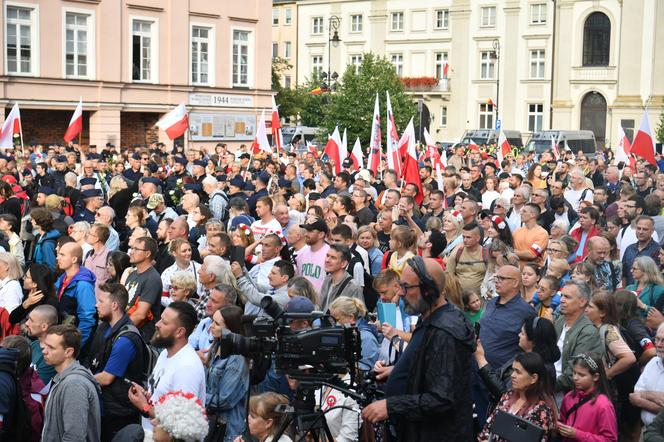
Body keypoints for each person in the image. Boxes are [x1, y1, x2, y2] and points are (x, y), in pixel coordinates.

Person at [362, 257, 476, 441]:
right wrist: (400, 370)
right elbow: (430, 366)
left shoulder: (446, 333)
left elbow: (442, 399)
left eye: (406, 287)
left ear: (429, 291)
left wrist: (391, 406)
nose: (399, 292)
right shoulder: (428, 318)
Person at [127, 301, 206, 430]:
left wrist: (145, 407)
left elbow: (182, 422)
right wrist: (147, 396)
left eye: (164, 322)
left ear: (180, 332)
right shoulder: (165, 353)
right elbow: (163, 396)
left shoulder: (187, 368)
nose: (157, 324)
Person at [86, 282, 146, 441]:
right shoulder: (103, 327)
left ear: (114, 305)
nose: (96, 304)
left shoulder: (126, 339)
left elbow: (106, 378)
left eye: (100, 301)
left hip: (119, 413)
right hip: (103, 406)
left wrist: (79, 378)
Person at [477, 316, 561, 406]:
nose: (519, 335)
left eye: (523, 333)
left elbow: (507, 396)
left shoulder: (543, 369)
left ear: (533, 340)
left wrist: (481, 359)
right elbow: (499, 374)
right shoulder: (522, 356)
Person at [41, 324, 101, 442]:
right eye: (45, 346)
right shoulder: (63, 378)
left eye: (51, 348)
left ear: (68, 352)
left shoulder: (74, 385)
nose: (44, 351)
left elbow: (74, 437)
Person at [478, 352, 556, 442]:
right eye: (513, 370)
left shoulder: (541, 411)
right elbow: (488, 428)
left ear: (533, 378)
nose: (512, 375)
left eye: (518, 372)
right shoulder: (508, 395)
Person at [205, 305, 249, 441]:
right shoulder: (216, 347)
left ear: (230, 330)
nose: (211, 326)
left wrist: (198, 396)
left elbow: (225, 400)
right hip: (212, 422)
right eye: (212, 321)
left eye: (217, 324)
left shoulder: (236, 359)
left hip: (228, 430)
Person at [480, 265, 536, 370]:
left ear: (515, 283)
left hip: (503, 375)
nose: (497, 281)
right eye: (496, 278)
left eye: (501, 278)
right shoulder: (491, 303)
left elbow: (531, 347)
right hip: (479, 368)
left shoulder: (526, 311)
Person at [554, 280, 603, 395]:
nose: (561, 300)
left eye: (567, 297)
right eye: (561, 296)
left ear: (582, 302)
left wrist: (543, 385)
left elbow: (573, 373)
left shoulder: (588, 332)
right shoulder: (560, 321)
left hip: (565, 392)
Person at [557, 353, 618, 441]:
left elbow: (610, 439)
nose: (575, 378)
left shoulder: (603, 405)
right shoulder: (569, 397)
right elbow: (563, 422)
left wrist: (577, 434)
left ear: (595, 377)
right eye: (574, 373)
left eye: (581, 375)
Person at [55, 242, 97, 347]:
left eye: (62, 255)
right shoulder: (62, 278)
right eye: (59, 254)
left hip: (71, 344)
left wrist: (77, 347)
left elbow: (87, 319)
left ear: (74, 259)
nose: (57, 258)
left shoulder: (83, 285)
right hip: (62, 339)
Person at [124, 236, 163, 341]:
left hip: (140, 335)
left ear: (147, 254)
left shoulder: (152, 278)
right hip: (128, 328)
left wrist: (120, 330)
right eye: (132, 248)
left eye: (136, 249)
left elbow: (141, 314)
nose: (131, 252)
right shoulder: (133, 274)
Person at [330, 296, 380, 372]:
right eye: (332, 320)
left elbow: (365, 370)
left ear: (351, 317)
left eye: (337, 320)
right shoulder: (347, 334)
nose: (334, 324)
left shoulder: (366, 338)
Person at [630, 323, 664, 428]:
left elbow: (638, 398)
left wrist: (643, 399)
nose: (658, 344)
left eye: (663, 341)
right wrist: (655, 397)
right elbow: (634, 396)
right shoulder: (653, 362)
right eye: (657, 339)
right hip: (646, 431)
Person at [319, 244, 363, 312]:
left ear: (343, 264)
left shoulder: (353, 287)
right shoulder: (327, 279)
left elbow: (359, 316)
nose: (327, 260)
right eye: (327, 256)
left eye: (333, 257)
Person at [446, 222, 488, 294]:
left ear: (478, 238)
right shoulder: (457, 253)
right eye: (463, 237)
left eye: (468, 237)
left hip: (480, 299)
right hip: (459, 298)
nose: (465, 240)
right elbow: (448, 275)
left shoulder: (486, 254)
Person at [295, 218, 330, 292]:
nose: (306, 234)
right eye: (306, 231)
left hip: (321, 301)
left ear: (321, 234)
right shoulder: (301, 253)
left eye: (310, 231)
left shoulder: (330, 254)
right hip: (304, 300)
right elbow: (298, 278)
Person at [512, 203, 549, 268]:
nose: (521, 213)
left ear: (533, 215)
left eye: (524, 211)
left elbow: (532, 254)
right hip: (516, 269)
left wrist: (512, 252)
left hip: (532, 272)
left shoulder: (542, 233)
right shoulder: (517, 231)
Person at [84, 223, 112, 292]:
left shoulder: (110, 256)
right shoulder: (88, 254)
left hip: (100, 299)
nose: (87, 235)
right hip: (86, 295)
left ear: (96, 239)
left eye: (89, 233)